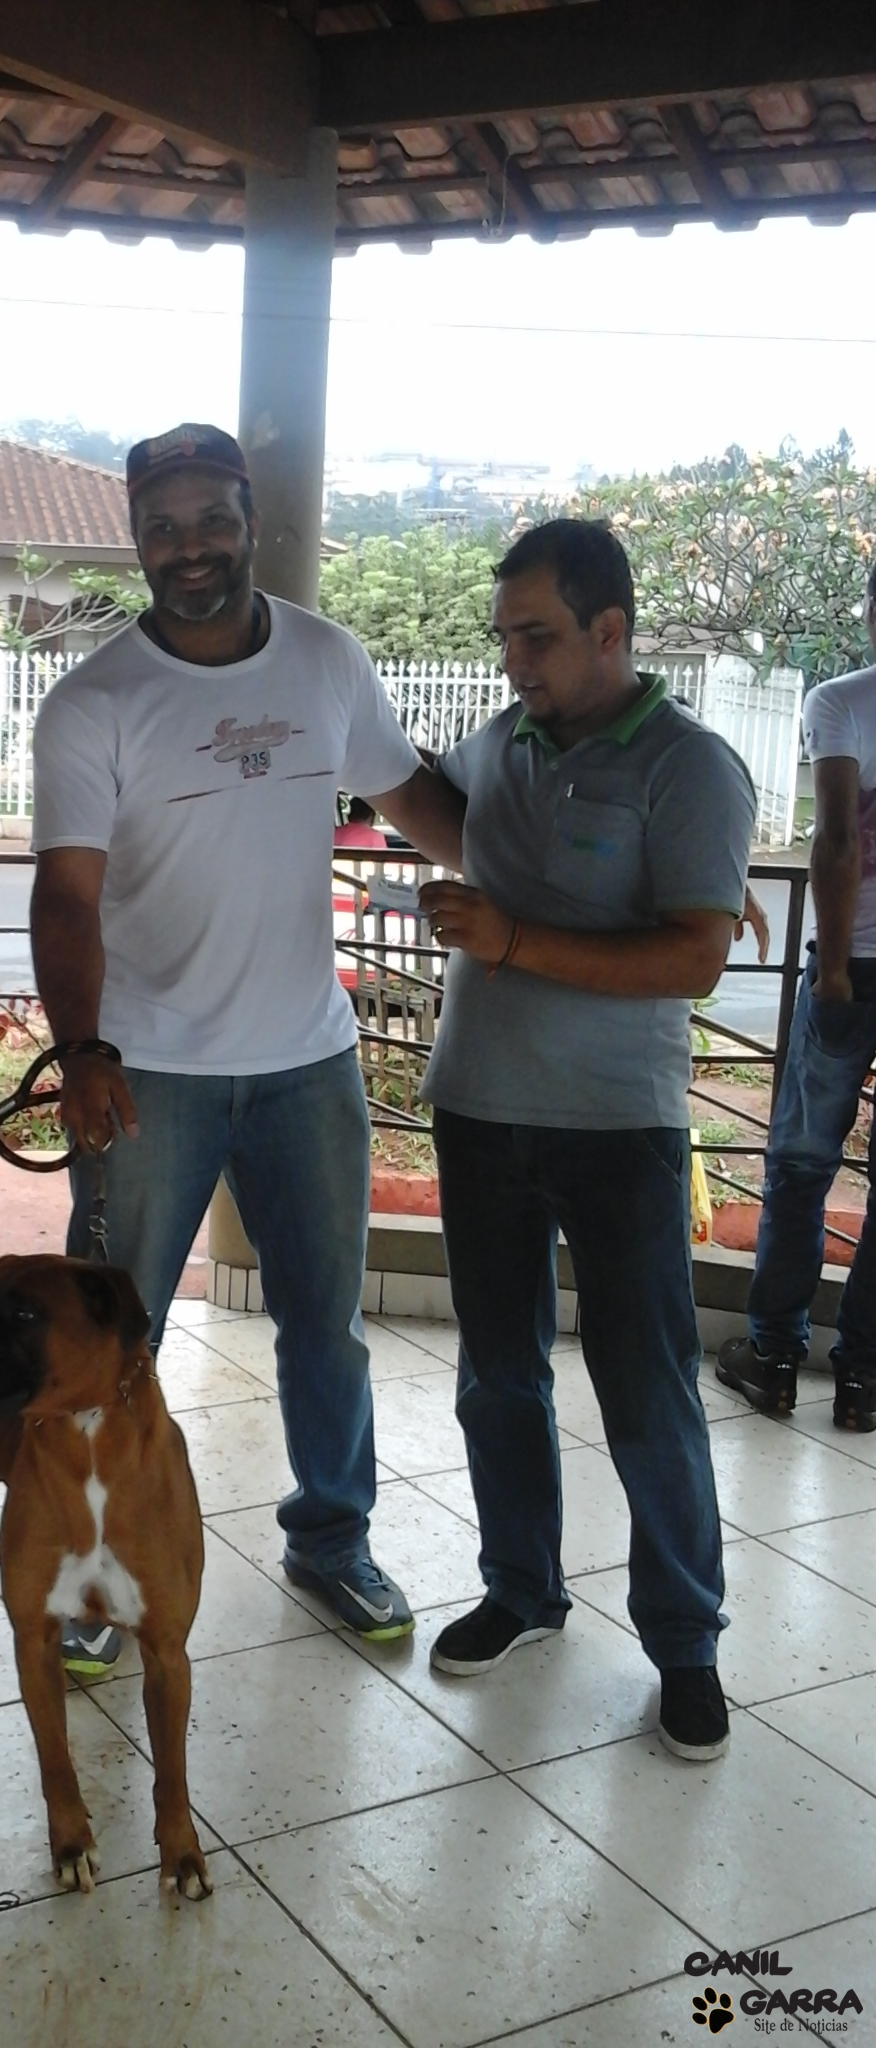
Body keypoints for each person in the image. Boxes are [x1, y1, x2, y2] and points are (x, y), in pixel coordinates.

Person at [29, 423, 466, 1667]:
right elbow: (65, 894)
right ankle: (94, 1574)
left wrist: (547, 881)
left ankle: (332, 1535)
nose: (189, 547)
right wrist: (84, 1049)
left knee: (325, 1326)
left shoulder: (326, 660)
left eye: (211, 520)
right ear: (136, 538)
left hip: (306, 1066)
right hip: (148, 1072)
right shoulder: (95, 701)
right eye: (162, 527)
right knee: (111, 1342)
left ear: (251, 520)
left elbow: (418, 801)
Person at [417, 519, 755, 1763]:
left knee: (646, 1387)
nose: (515, 661)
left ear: (611, 629)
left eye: (538, 637)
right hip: (479, 1110)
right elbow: (430, 804)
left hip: (618, 1128)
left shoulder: (691, 766)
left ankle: (686, 1644)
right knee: (498, 1373)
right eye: (505, 636)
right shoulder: (502, 740)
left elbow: (695, 956)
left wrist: (509, 939)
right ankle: (521, 1588)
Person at [718, 560, 876, 1431]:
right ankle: (864, 1379)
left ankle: (775, 1357)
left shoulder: (842, 703)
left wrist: (838, 968)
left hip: (855, 968)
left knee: (803, 1167)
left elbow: (839, 837)